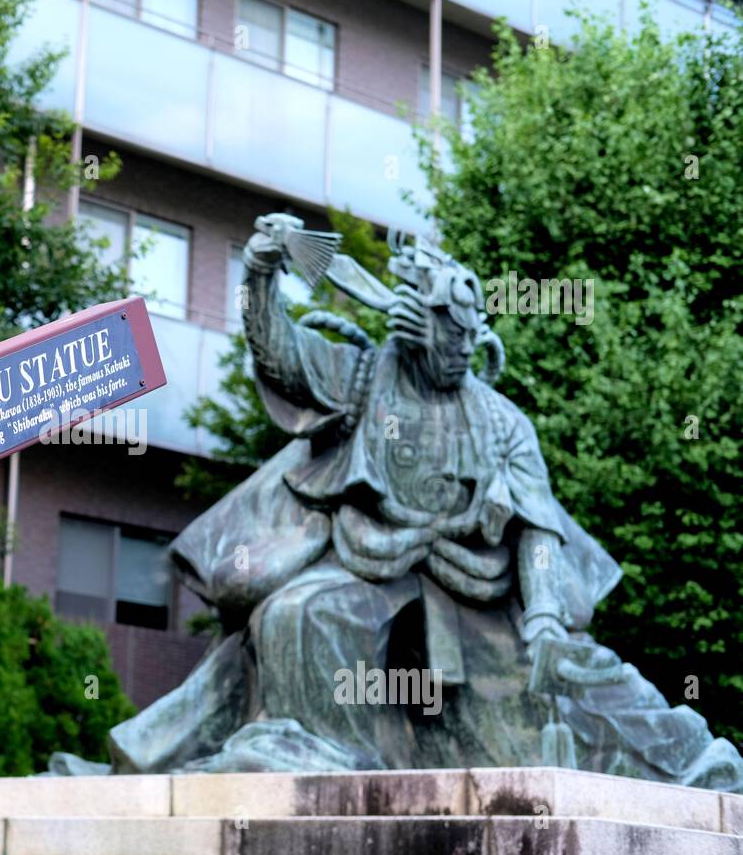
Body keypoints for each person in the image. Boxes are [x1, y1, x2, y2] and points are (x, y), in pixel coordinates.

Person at [51, 214, 742, 794]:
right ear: (412, 320)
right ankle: (320, 762)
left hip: (480, 599)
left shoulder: (503, 420)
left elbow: (536, 529)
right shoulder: (359, 377)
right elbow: (282, 360)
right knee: (299, 612)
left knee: (576, 683)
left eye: (470, 334)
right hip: (368, 568)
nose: (460, 348)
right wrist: (262, 277)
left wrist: (545, 618)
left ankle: (692, 766)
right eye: (448, 330)